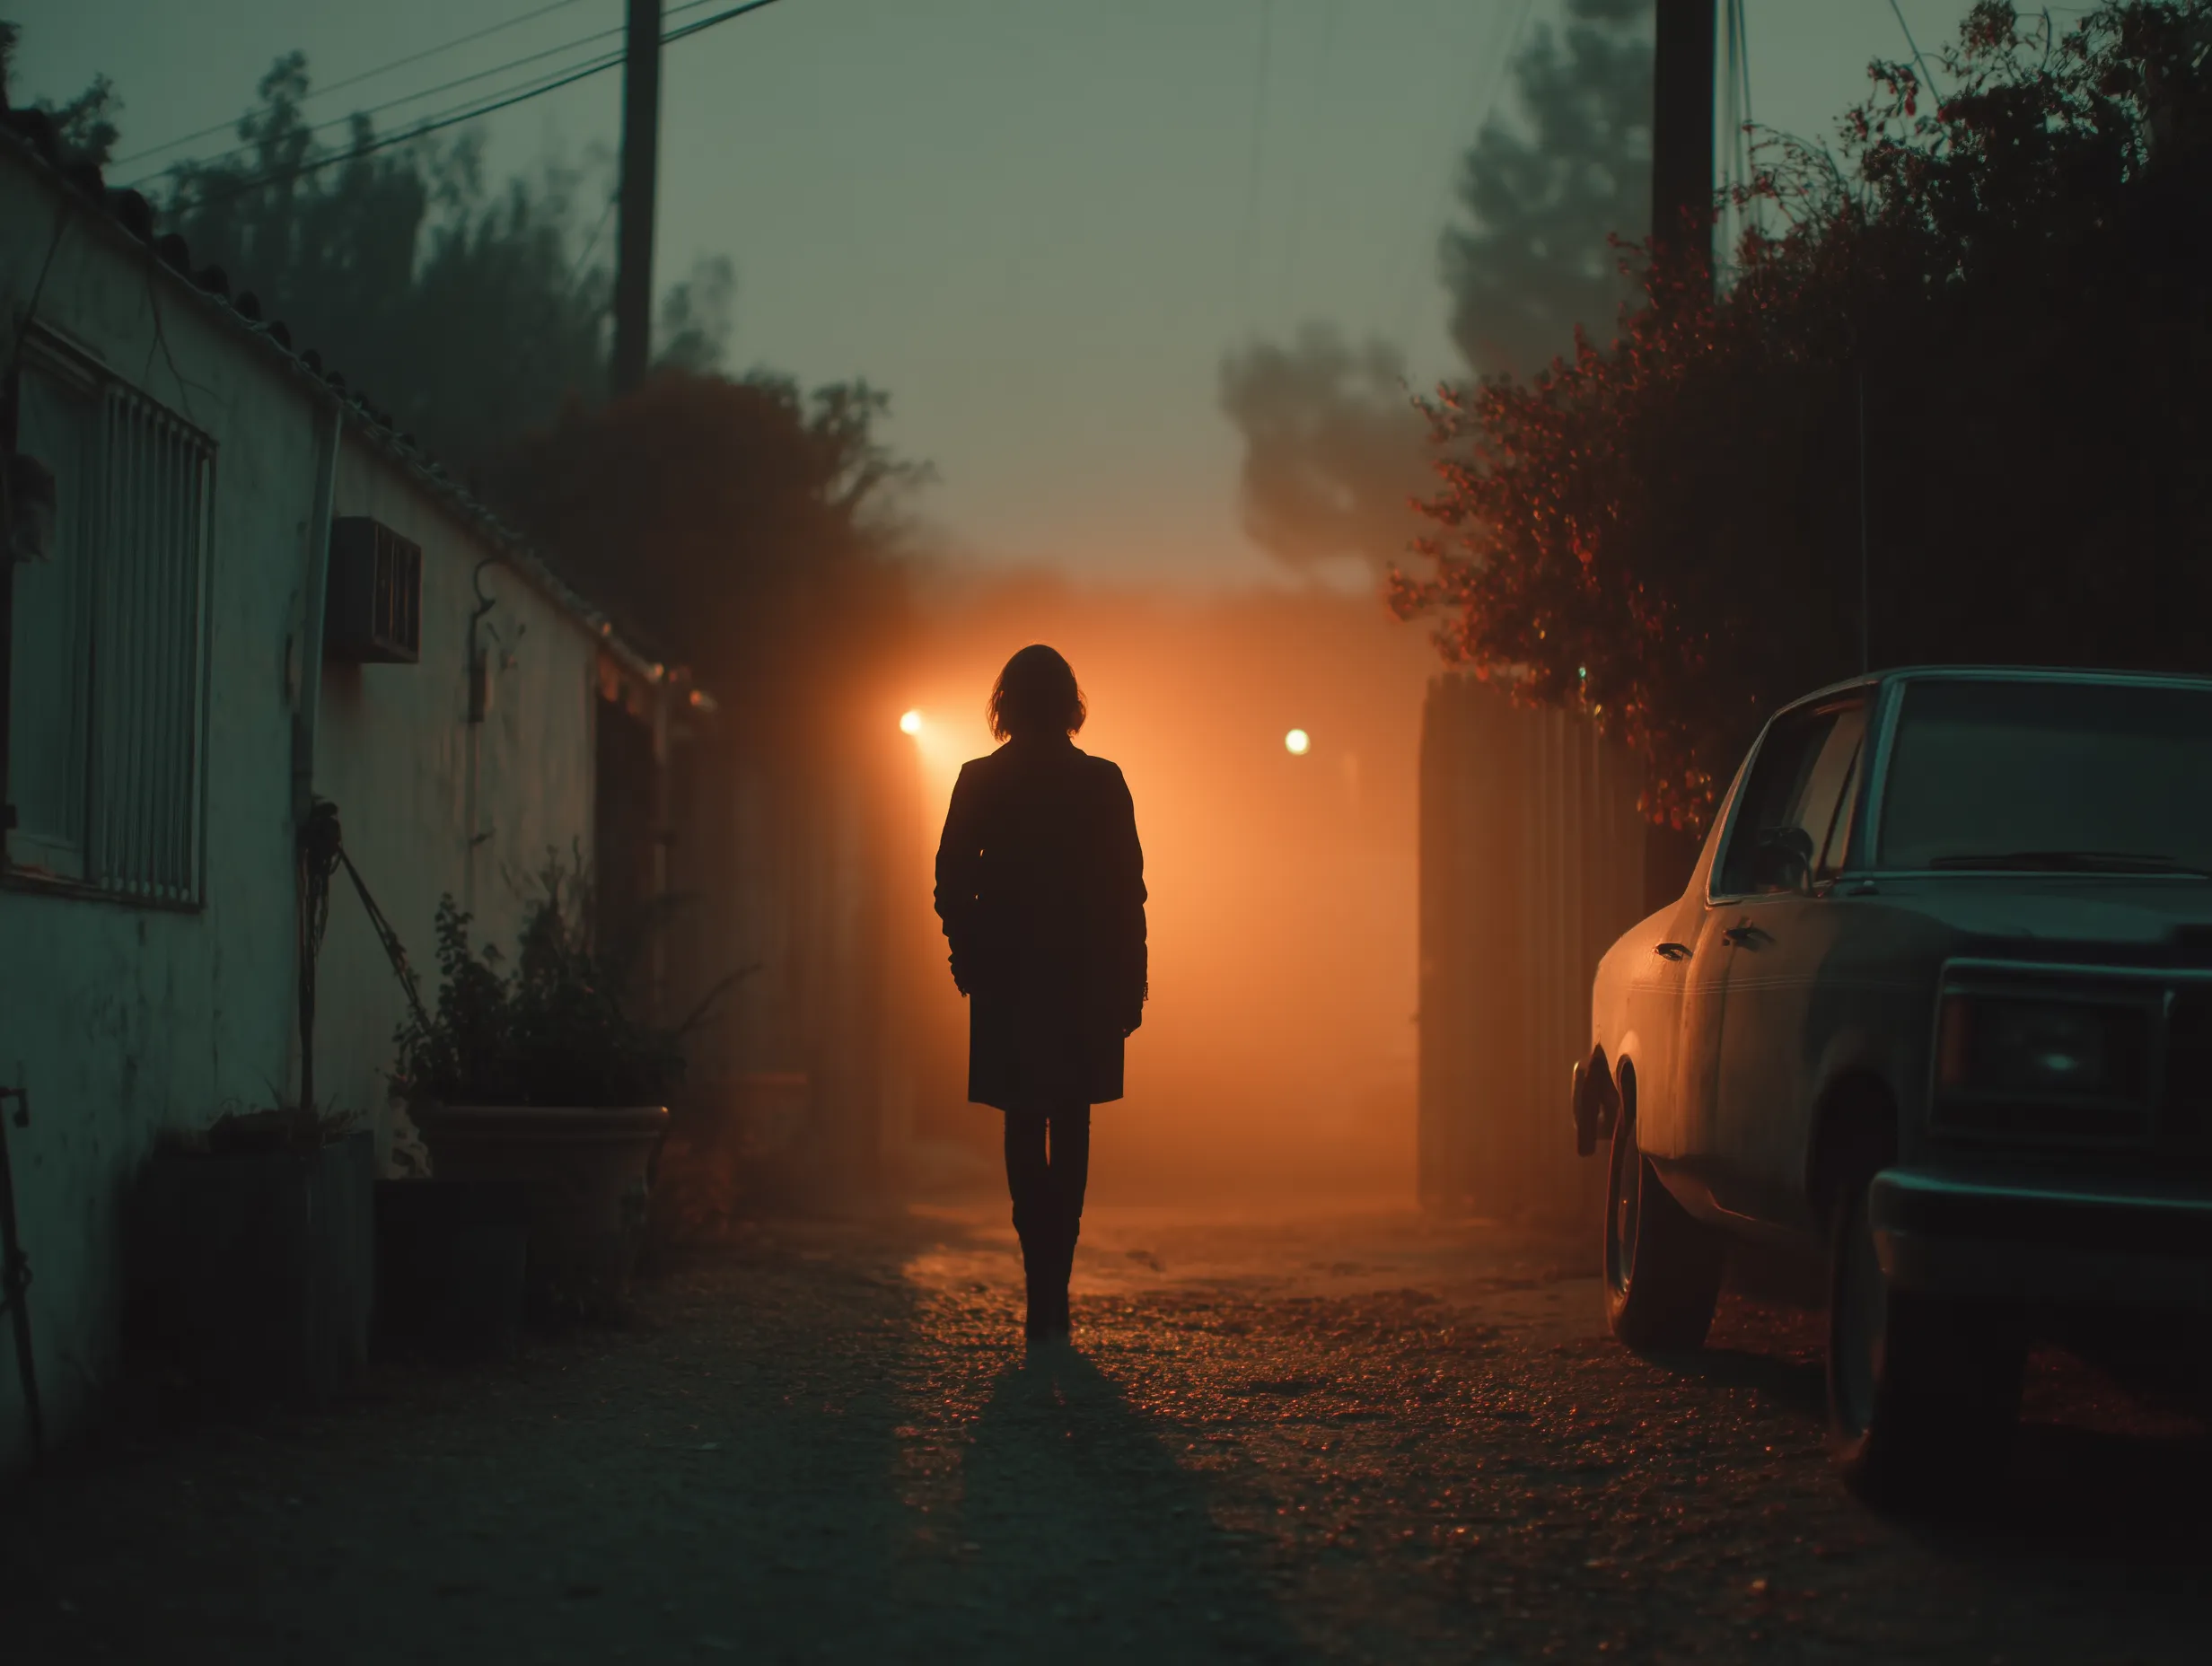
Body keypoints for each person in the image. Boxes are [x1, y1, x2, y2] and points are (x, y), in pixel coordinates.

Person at [933, 645, 1147, 1343]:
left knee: (1021, 1122)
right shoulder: (1104, 781)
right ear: (1069, 704)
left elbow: (949, 881)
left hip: (1008, 979)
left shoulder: (978, 779)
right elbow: (1127, 893)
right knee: (1073, 1121)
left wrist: (967, 957)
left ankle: (1039, 1280)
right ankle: (1057, 1279)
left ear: (1006, 704)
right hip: (1084, 980)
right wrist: (1131, 981)